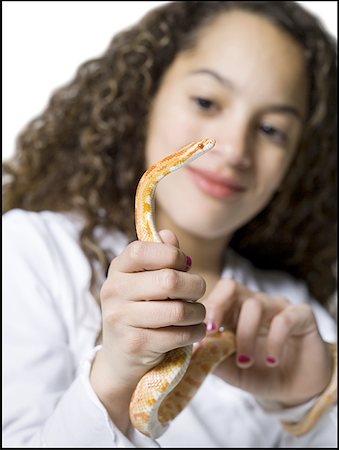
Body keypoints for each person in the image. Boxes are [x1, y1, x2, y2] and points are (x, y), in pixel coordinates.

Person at [2, 1, 337, 447]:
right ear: (146, 97)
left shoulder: (296, 318)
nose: (234, 148)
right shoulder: (32, 252)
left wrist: (309, 407)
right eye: (205, 101)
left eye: (272, 129)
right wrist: (116, 377)